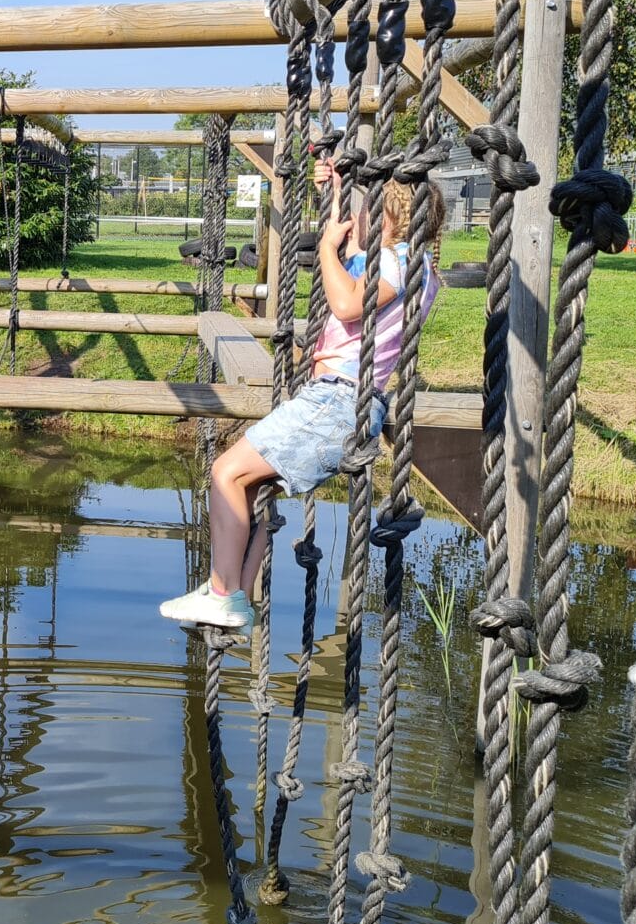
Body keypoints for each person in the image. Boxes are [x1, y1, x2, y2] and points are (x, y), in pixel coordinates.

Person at [160, 171, 444, 630]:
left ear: (391, 217)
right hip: (339, 402)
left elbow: (349, 304)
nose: (359, 218)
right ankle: (232, 595)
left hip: (337, 402)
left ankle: (222, 593)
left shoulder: (399, 263)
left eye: (368, 210)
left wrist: (328, 248)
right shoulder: (410, 264)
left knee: (226, 472)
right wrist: (334, 183)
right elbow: (353, 254)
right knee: (250, 488)